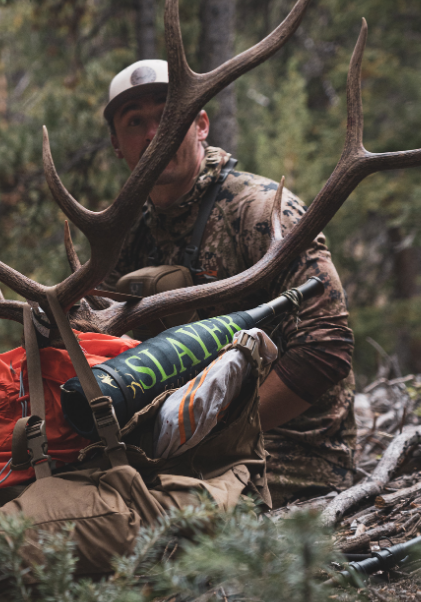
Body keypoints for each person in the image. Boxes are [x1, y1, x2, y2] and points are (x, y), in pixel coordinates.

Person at [103, 59, 356, 507]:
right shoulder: (126, 237)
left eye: (167, 118)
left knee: (136, 525)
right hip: (177, 445)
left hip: (289, 451)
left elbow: (327, 345)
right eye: (135, 122)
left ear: (200, 125)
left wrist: (210, 431)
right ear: (117, 145)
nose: (152, 135)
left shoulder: (258, 211)